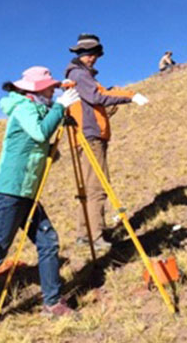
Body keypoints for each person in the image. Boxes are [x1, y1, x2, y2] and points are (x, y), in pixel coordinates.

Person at [0, 66, 81, 340]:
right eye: (49, 88)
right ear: (36, 90)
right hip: (8, 193)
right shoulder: (24, 109)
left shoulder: (39, 109)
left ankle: (52, 302)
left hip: (27, 193)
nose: (52, 92)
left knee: (48, 242)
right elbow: (39, 134)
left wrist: (58, 111)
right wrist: (60, 108)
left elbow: (38, 146)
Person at [65, 33, 148, 251]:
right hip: (91, 138)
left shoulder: (77, 75)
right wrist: (130, 96)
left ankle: (85, 234)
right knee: (97, 187)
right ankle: (96, 236)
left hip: (84, 136)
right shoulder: (80, 75)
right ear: (79, 54)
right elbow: (97, 97)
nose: (92, 58)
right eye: (88, 54)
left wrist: (108, 107)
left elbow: (92, 104)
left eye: (94, 54)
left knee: (88, 187)